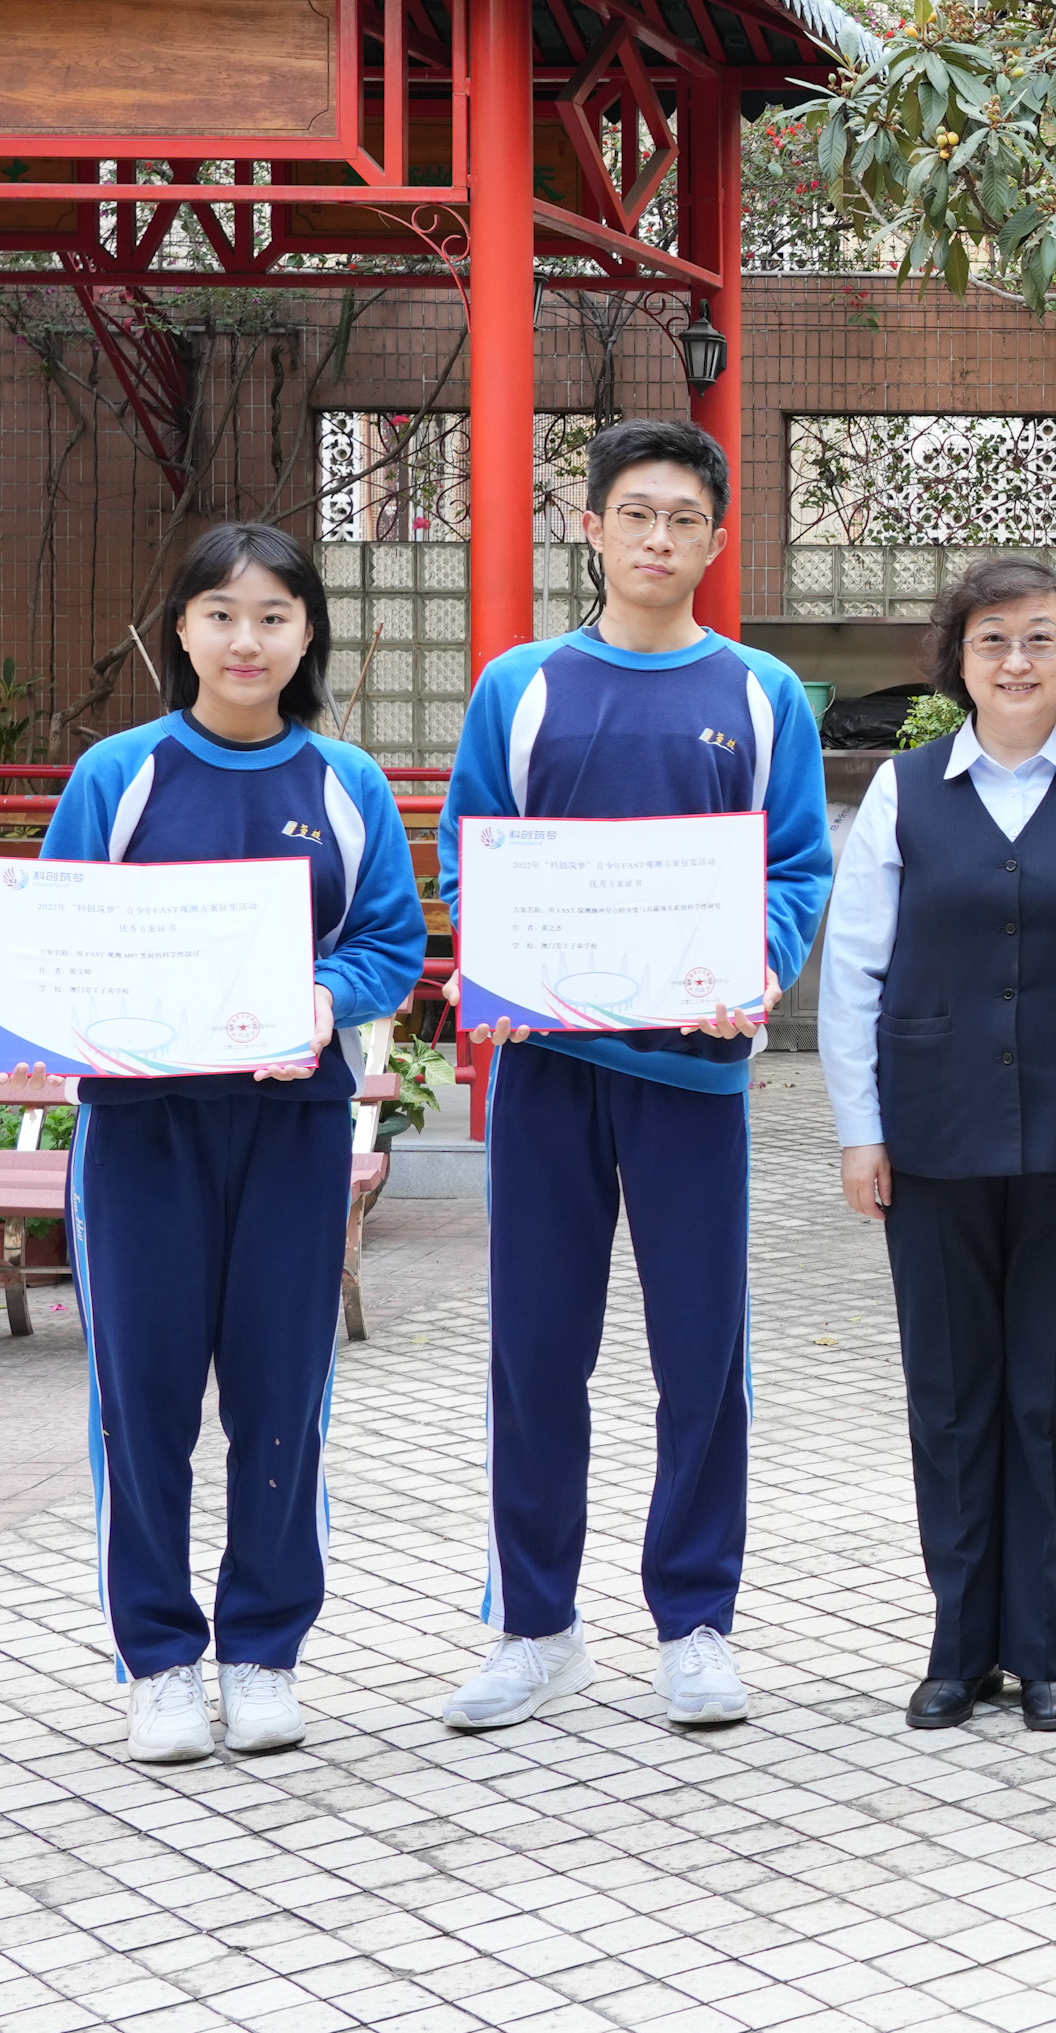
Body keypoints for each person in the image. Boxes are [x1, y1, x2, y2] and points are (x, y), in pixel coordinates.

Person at [434, 419, 833, 1734]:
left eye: (685, 519)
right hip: (548, 1071)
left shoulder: (762, 694)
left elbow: (796, 866)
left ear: (717, 541)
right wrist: (497, 968)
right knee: (536, 1353)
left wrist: (759, 965)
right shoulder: (521, 688)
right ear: (591, 526)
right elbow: (473, 852)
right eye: (637, 514)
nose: (659, 539)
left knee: (700, 1356)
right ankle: (536, 1626)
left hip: (694, 1079)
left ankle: (696, 1620)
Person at [41, 523, 430, 1766]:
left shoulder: (346, 783)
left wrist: (322, 998)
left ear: (308, 633)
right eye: (220, 614)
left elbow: (393, 941)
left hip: (292, 1129)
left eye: (272, 616)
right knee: (143, 1404)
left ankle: (264, 1651)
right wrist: (68, 1020)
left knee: (280, 1398)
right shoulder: (119, 774)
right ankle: (157, 1661)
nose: (245, 640)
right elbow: (62, 933)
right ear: (183, 630)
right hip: (140, 1133)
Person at [818, 555, 1056, 1734]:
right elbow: (854, 970)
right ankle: (959, 1647)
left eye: (1039, 637)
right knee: (951, 1401)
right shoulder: (904, 792)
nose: (1016, 660)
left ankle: (1049, 1649)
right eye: (991, 639)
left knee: (1054, 1402)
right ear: (958, 660)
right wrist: (860, 1130)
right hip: (932, 1142)